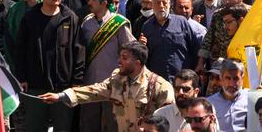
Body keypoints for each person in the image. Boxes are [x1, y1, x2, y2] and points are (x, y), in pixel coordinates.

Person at [38, 42, 175, 132]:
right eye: (120, 56)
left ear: (138, 63)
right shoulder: (117, 79)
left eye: (124, 58)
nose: (119, 61)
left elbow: (171, 121)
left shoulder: (159, 87)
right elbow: (94, 91)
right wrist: (61, 96)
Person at [16, 0, 84, 132]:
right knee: (34, 127)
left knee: (63, 127)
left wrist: (76, 81)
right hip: (35, 84)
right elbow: (20, 49)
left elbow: (78, 50)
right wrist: (22, 77)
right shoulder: (30, 17)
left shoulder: (70, 18)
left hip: (63, 86)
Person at [78, 0, 134, 132]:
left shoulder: (119, 24)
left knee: (113, 125)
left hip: (114, 85)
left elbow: (132, 51)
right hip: (90, 84)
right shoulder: (86, 22)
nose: (89, 2)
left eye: (93, 0)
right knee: (89, 125)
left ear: (103, 3)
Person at [140, 0, 201, 83]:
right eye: (157, 3)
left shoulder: (181, 22)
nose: (161, 6)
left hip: (182, 79)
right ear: (152, 5)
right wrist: (142, 45)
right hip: (157, 80)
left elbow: (195, 47)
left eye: (164, 3)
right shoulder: (146, 26)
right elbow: (145, 55)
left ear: (169, 4)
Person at [207, 59, 248, 132]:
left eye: (236, 78)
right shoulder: (209, 103)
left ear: (242, 78)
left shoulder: (251, 98)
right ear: (221, 78)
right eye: (228, 78)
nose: (232, 84)